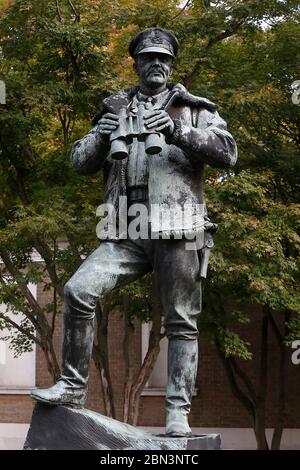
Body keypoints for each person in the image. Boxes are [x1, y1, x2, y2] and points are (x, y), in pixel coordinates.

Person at [31, 27, 237, 437]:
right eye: (149, 57)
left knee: (181, 320)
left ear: (171, 65)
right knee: (78, 290)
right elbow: (79, 161)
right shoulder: (115, 106)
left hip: (177, 225)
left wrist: (177, 130)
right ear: (137, 63)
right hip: (126, 223)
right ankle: (72, 386)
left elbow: (227, 152)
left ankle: (177, 410)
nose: (156, 63)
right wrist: (102, 135)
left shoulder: (194, 109)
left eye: (163, 58)